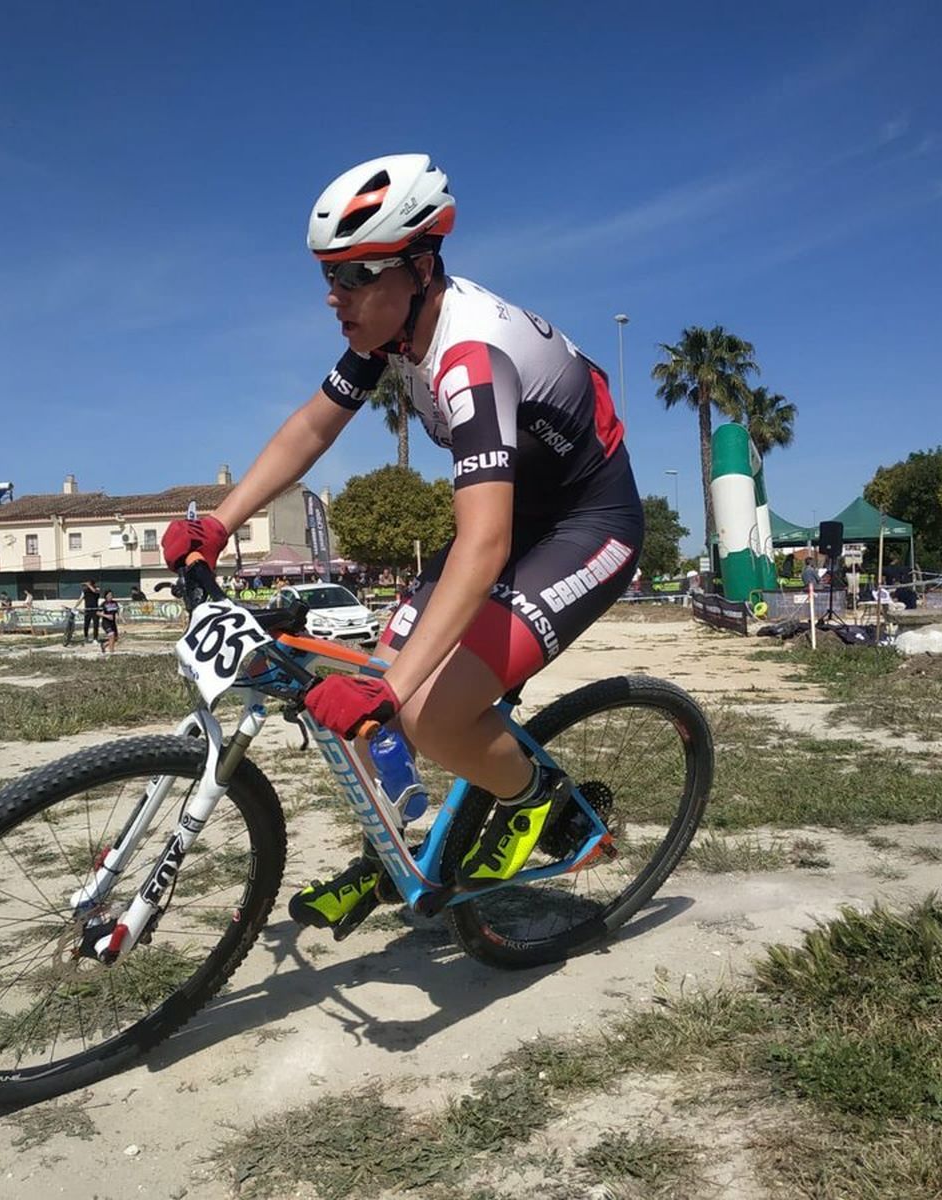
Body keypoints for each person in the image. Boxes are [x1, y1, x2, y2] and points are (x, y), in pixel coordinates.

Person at [162, 153, 643, 935]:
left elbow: (482, 547)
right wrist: (220, 522)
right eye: (329, 275)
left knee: (421, 708)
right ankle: (398, 852)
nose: (333, 296)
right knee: (387, 669)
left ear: (420, 268)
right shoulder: (393, 331)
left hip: (587, 522)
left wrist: (395, 696)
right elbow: (313, 427)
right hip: (518, 513)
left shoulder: (468, 361)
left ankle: (536, 804)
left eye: (355, 276)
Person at [99, 590, 120, 654]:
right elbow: (97, 612)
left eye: (111, 595)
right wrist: (106, 616)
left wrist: (121, 618)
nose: (111, 596)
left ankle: (104, 645)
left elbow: (117, 611)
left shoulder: (115, 603)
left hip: (113, 623)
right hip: (106, 623)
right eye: (109, 595)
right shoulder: (103, 604)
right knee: (112, 636)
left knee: (115, 639)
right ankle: (111, 652)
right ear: (106, 596)